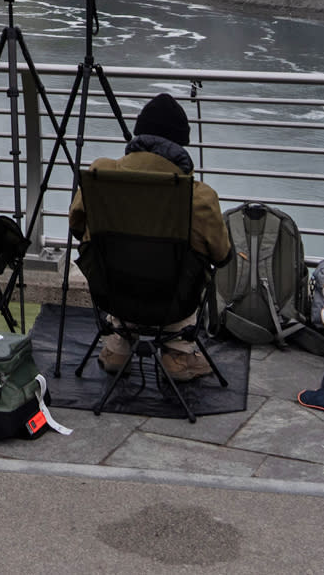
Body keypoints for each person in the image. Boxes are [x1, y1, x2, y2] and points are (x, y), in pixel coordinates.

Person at [68, 93, 232, 381]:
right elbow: (222, 256)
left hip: (113, 294)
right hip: (172, 303)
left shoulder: (100, 174)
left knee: (116, 259)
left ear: (139, 136)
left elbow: (76, 227)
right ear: (180, 145)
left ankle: (117, 348)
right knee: (191, 267)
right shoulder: (198, 196)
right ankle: (177, 354)